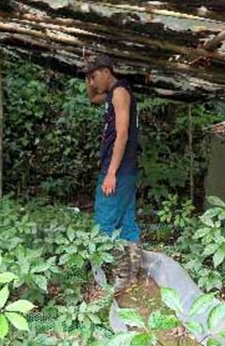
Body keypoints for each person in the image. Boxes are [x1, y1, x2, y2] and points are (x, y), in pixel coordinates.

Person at [82, 54, 141, 293]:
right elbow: (93, 98)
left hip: (118, 168)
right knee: (127, 222)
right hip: (125, 169)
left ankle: (120, 277)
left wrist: (111, 173)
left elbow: (123, 134)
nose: (93, 83)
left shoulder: (119, 92)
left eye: (94, 76)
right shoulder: (112, 93)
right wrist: (88, 78)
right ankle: (132, 276)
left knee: (105, 223)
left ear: (106, 72)